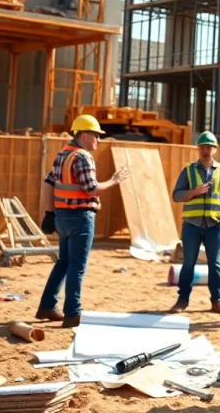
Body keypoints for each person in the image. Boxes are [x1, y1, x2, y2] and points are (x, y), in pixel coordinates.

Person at [36, 114, 129, 328]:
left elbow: (48, 182)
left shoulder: (62, 155)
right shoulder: (83, 157)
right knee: (77, 267)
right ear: (84, 135)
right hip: (80, 218)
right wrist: (114, 181)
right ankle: (72, 313)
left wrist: (49, 213)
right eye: (96, 136)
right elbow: (91, 188)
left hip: (61, 217)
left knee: (63, 263)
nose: (98, 140)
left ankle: (47, 306)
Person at [169, 131, 220, 315]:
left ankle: (217, 301)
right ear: (198, 149)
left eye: (208, 146)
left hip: (215, 226)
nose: (205, 150)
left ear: (215, 149)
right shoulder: (189, 171)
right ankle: (182, 300)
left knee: (215, 264)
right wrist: (194, 192)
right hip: (192, 225)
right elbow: (176, 195)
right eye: (202, 146)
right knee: (188, 263)